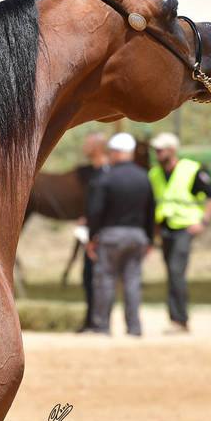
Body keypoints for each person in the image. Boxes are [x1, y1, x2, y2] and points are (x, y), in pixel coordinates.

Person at [83, 132, 155, 336]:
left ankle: (102, 327)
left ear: (114, 152)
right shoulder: (144, 177)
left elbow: (95, 211)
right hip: (137, 236)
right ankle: (134, 328)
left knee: (105, 280)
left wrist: (92, 237)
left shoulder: (106, 177)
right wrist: (149, 239)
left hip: (111, 236)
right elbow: (151, 211)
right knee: (132, 281)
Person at [148, 132, 211, 333]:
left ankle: (180, 320)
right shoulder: (154, 173)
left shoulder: (191, 169)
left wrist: (203, 221)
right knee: (171, 273)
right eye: (156, 150)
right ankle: (175, 318)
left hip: (184, 229)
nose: (157, 153)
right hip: (165, 228)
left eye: (160, 150)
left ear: (172, 151)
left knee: (176, 272)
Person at [76, 130, 109, 332]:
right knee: (88, 277)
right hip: (91, 230)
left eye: (87, 144)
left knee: (97, 278)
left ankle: (98, 322)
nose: (83, 148)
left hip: (100, 234)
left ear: (97, 147)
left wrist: (96, 232)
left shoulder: (106, 172)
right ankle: (90, 320)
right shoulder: (95, 172)